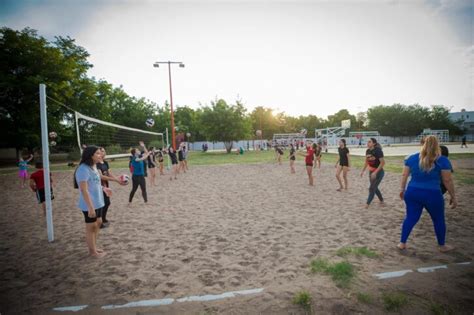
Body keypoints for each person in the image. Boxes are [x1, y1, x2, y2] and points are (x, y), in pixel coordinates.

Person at [398, 135, 457, 252]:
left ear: (423, 144)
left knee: (410, 218)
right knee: (438, 219)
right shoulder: (443, 160)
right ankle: (441, 245)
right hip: (432, 194)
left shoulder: (411, 158)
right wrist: (453, 196)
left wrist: (402, 189)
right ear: (437, 145)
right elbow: (447, 180)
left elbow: (404, 175)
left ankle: (402, 243)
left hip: (413, 192)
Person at [74, 145, 111, 258]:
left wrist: (104, 188)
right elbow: (84, 189)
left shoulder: (93, 166)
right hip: (89, 203)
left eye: (101, 153)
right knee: (91, 227)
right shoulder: (83, 169)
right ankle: (92, 252)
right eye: (98, 153)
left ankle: (94, 246)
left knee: (98, 223)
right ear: (91, 155)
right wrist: (90, 207)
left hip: (98, 201)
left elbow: (96, 181)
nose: (101, 155)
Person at [97, 147, 125, 228]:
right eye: (101, 151)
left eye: (104, 151)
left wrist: (117, 179)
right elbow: (101, 177)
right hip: (99, 186)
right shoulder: (97, 164)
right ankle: (100, 222)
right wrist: (115, 180)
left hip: (106, 186)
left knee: (107, 203)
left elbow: (109, 173)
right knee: (102, 203)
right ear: (98, 153)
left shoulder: (105, 162)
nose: (103, 153)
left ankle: (103, 219)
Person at [361, 138, 385, 208]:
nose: (368, 143)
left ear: (374, 143)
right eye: (367, 142)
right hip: (371, 172)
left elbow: (383, 163)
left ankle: (367, 204)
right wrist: (363, 170)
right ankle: (381, 200)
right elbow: (366, 161)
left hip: (379, 172)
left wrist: (375, 172)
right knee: (374, 187)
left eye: (369, 142)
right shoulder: (367, 151)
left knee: (372, 188)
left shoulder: (378, 151)